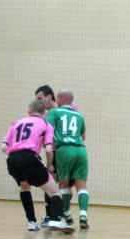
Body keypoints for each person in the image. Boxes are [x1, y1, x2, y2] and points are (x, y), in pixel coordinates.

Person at [1, 99, 74, 234]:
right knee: (54, 192)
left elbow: (3, 147)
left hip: (13, 160)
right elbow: (48, 149)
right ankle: (54, 220)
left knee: (24, 187)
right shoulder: (46, 124)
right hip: (30, 158)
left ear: (29, 111)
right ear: (44, 112)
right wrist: (48, 166)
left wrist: (15, 157)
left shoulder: (16, 123)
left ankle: (31, 222)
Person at [35, 85, 79, 227]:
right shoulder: (45, 116)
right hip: (53, 152)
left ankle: (62, 212)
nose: (39, 102)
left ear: (49, 96)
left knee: (67, 186)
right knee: (51, 183)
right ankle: (51, 216)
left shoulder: (71, 108)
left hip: (67, 151)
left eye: (40, 98)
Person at [46, 90, 90, 229]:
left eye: (57, 98)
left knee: (63, 184)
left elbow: (47, 129)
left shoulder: (55, 112)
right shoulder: (79, 115)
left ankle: (67, 215)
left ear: (60, 99)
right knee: (82, 185)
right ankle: (83, 216)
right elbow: (83, 136)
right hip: (81, 150)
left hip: (64, 149)